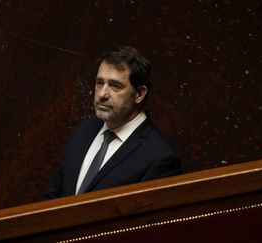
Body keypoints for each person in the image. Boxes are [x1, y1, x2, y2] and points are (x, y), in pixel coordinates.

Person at [44, 46, 182, 199]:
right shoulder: (83, 130)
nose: (102, 94)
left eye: (115, 86)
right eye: (99, 83)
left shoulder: (160, 158)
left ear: (139, 94)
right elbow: (53, 197)